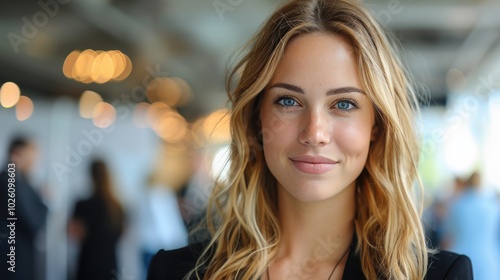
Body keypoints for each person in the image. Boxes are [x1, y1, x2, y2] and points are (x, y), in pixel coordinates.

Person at [147, 0, 473, 279]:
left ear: (377, 126)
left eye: (344, 104)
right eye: (288, 101)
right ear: (256, 119)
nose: (314, 133)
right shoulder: (176, 272)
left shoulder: (437, 276)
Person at [68, 159, 126, 280]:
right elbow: (122, 234)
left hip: (88, 263)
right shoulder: (117, 207)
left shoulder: (82, 205)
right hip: (110, 264)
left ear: (90, 175)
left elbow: (73, 234)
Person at [0, 136, 48, 280]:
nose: (36, 158)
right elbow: (33, 222)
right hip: (14, 258)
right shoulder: (9, 181)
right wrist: (45, 202)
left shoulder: (20, 181)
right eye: (32, 152)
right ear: (18, 152)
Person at [441, 171, 500, 280]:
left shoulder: (456, 205)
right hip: (488, 260)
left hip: (460, 257)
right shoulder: (493, 207)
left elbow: (448, 236)